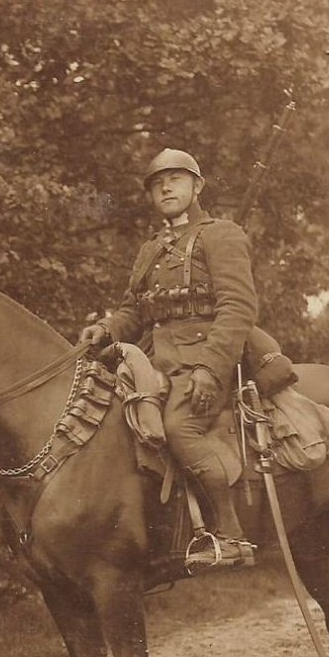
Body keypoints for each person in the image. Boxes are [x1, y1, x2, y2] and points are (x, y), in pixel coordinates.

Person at [81, 148, 257, 565]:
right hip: (155, 368)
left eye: (175, 178)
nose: (165, 186)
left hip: (207, 365)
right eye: (157, 182)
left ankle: (230, 537)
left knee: (178, 429)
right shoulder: (150, 251)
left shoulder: (221, 235)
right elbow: (135, 311)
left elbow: (239, 308)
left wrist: (210, 369)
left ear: (197, 186)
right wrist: (105, 329)